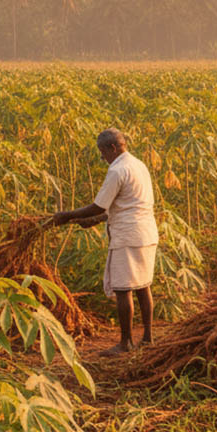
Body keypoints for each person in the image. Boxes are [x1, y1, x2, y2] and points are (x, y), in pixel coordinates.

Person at [52, 128, 157, 355]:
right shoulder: (138, 165)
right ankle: (148, 337)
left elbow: (99, 205)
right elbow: (128, 203)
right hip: (146, 232)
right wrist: (97, 219)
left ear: (112, 148)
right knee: (143, 286)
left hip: (127, 236)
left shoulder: (117, 169)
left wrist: (67, 215)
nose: (102, 158)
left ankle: (125, 343)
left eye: (102, 152)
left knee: (123, 289)